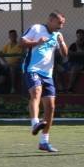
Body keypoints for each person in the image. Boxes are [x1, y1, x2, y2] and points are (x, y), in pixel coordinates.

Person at [21, 12, 68, 152]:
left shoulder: (57, 35)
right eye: (59, 23)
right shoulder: (36, 28)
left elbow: (65, 55)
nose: (61, 26)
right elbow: (21, 42)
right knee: (36, 92)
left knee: (51, 106)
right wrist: (37, 42)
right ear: (51, 20)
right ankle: (35, 123)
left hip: (47, 74)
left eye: (63, 24)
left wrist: (62, 42)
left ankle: (44, 142)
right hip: (32, 69)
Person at [0, 29, 23, 93]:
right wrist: (5, 62)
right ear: (9, 37)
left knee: (12, 69)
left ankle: (13, 88)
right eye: (11, 35)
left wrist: (15, 63)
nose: (13, 37)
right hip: (8, 64)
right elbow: (0, 53)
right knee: (0, 68)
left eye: (14, 35)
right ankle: (1, 88)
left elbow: (21, 57)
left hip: (17, 65)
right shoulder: (8, 45)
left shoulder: (19, 45)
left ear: (16, 36)